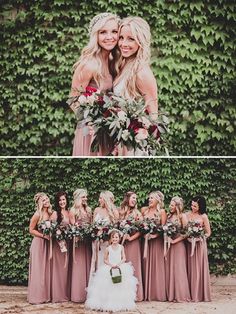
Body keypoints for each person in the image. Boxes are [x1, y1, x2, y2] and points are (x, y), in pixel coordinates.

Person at [70, 12, 120, 156]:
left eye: (114, 31)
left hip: (108, 130)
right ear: (95, 35)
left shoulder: (112, 61)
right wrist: (91, 122)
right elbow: (73, 99)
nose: (109, 37)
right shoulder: (89, 64)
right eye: (103, 32)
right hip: (91, 132)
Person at [113, 16, 158, 156]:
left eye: (131, 39)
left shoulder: (142, 72)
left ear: (141, 41)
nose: (123, 43)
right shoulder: (124, 63)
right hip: (120, 138)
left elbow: (154, 114)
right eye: (121, 38)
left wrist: (148, 146)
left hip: (134, 144)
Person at [86, 229, 137, 312]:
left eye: (116, 237)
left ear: (119, 238)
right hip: (110, 267)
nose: (115, 239)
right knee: (109, 286)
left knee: (120, 286)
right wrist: (111, 265)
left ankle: (120, 303)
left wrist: (118, 264)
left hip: (119, 266)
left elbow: (124, 258)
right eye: (113, 237)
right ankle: (108, 303)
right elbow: (105, 260)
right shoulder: (108, 248)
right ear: (111, 238)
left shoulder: (121, 247)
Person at [141, 191, 167, 301]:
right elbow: (140, 225)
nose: (149, 200)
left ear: (158, 200)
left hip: (156, 243)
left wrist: (155, 235)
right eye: (149, 198)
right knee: (145, 265)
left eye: (152, 198)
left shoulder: (161, 212)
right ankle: (146, 293)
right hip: (145, 242)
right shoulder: (144, 210)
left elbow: (164, 228)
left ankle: (157, 293)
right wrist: (145, 233)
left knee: (157, 266)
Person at [28, 193, 53, 304]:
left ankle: (45, 295)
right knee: (38, 270)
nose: (46, 201)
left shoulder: (50, 213)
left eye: (46, 198)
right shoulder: (37, 214)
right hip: (39, 243)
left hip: (48, 244)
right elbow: (31, 230)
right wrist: (44, 236)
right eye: (43, 200)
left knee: (46, 269)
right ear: (40, 203)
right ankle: (37, 296)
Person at [186, 196, 211, 302]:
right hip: (188, 244)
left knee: (198, 268)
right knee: (189, 267)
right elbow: (184, 229)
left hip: (199, 245)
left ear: (200, 206)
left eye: (195, 206)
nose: (193, 207)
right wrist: (188, 237)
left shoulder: (203, 216)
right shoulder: (187, 214)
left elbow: (208, 232)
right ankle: (188, 293)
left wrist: (200, 238)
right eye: (192, 205)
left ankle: (198, 294)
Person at [119, 191, 144, 301]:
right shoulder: (120, 212)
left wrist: (130, 238)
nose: (134, 200)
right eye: (133, 198)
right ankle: (122, 293)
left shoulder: (137, 213)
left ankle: (135, 295)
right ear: (127, 198)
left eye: (136, 198)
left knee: (133, 267)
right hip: (121, 243)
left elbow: (142, 230)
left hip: (133, 243)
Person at [165, 197, 190, 302]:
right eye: (170, 205)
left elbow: (187, 233)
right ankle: (171, 295)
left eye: (172, 205)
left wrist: (175, 241)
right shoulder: (168, 216)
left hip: (178, 245)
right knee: (170, 269)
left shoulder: (182, 216)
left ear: (177, 206)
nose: (170, 207)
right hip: (169, 245)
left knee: (179, 269)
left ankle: (181, 295)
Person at [69, 189, 92, 302]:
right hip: (78, 243)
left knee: (88, 266)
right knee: (79, 267)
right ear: (78, 198)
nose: (85, 199)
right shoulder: (73, 211)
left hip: (88, 242)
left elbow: (91, 224)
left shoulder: (88, 209)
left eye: (86, 197)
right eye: (83, 197)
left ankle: (89, 294)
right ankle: (78, 294)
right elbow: (73, 228)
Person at [90, 191, 119, 274]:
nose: (99, 200)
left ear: (106, 199)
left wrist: (106, 237)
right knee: (95, 261)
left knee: (105, 263)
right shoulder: (96, 210)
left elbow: (115, 231)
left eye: (100, 198)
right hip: (96, 242)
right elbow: (93, 226)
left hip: (107, 243)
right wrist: (96, 233)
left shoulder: (114, 212)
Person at [50, 191, 70, 303]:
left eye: (64, 199)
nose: (62, 202)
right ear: (57, 202)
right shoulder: (55, 213)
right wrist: (58, 235)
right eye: (60, 200)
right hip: (59, 245)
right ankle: (58, 295)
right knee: (59, 269)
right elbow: (51, 229)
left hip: (68, 243)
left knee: (66, 269)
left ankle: (65, 293)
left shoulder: (68, 212)